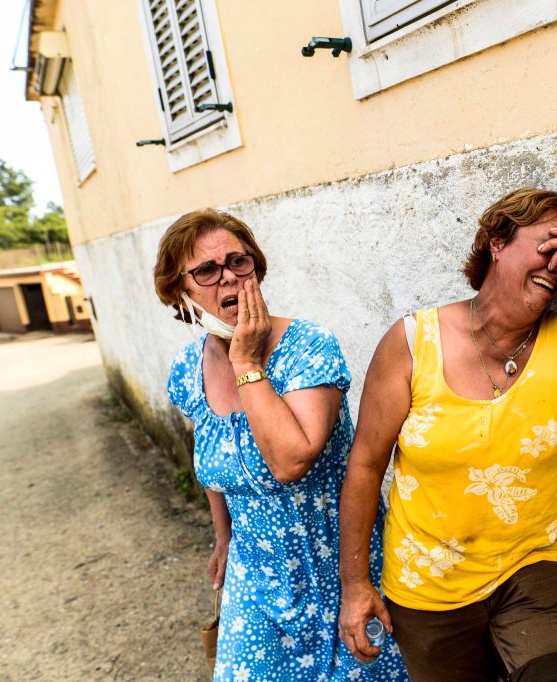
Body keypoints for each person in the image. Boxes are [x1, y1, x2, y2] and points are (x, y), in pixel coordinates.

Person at [338, 189, 557, 681]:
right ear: (497, 242)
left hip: (530, 568)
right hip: (429, 585)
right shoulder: (414, 342)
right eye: (550, 244)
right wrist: (355, 584)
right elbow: (366, 462)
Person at [154, 209, 409, 681]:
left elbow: (291, 460)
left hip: (338, 566)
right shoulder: (187, 371)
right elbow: (211, 460)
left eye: (238, 262)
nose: (227, 277)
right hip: (256, 581)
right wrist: (224, 536)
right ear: (180, 291)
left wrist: (246, 360)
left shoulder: (308, 347)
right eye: (206, 271)